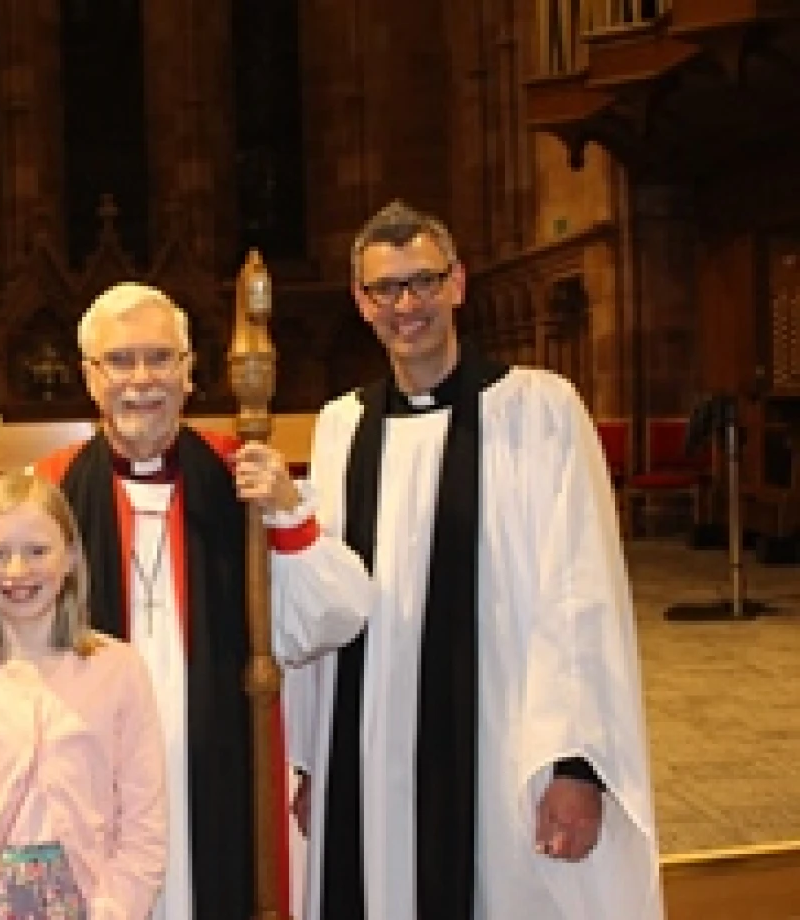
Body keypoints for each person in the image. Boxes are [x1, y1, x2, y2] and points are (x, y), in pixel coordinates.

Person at [233, 200, 664, 920]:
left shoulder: (539, 411)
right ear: (360, 303)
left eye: (423, 282)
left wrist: (576, 765)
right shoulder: (343, 426)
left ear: (458, 284)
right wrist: (312, 756)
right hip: (366, 750)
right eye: (385, 289)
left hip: (500, 743)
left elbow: (579, 595)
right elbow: (323, 593)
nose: (407, 305)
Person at [33, 282, 257, 919]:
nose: (141, 379)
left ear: (190, 373)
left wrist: (288, 513)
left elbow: (328, 615)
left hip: (211, 748)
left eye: (160, 358)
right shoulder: (48, 491)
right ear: (89, 377)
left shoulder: (239, 475)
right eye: (120, 361)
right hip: (94, 757)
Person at [0, 472, 168, 919]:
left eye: (37, 551)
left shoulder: (119, 670)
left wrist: (116, 910)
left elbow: (144, 821)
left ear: (70, 558)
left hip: (95, 903)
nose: (18, 571)